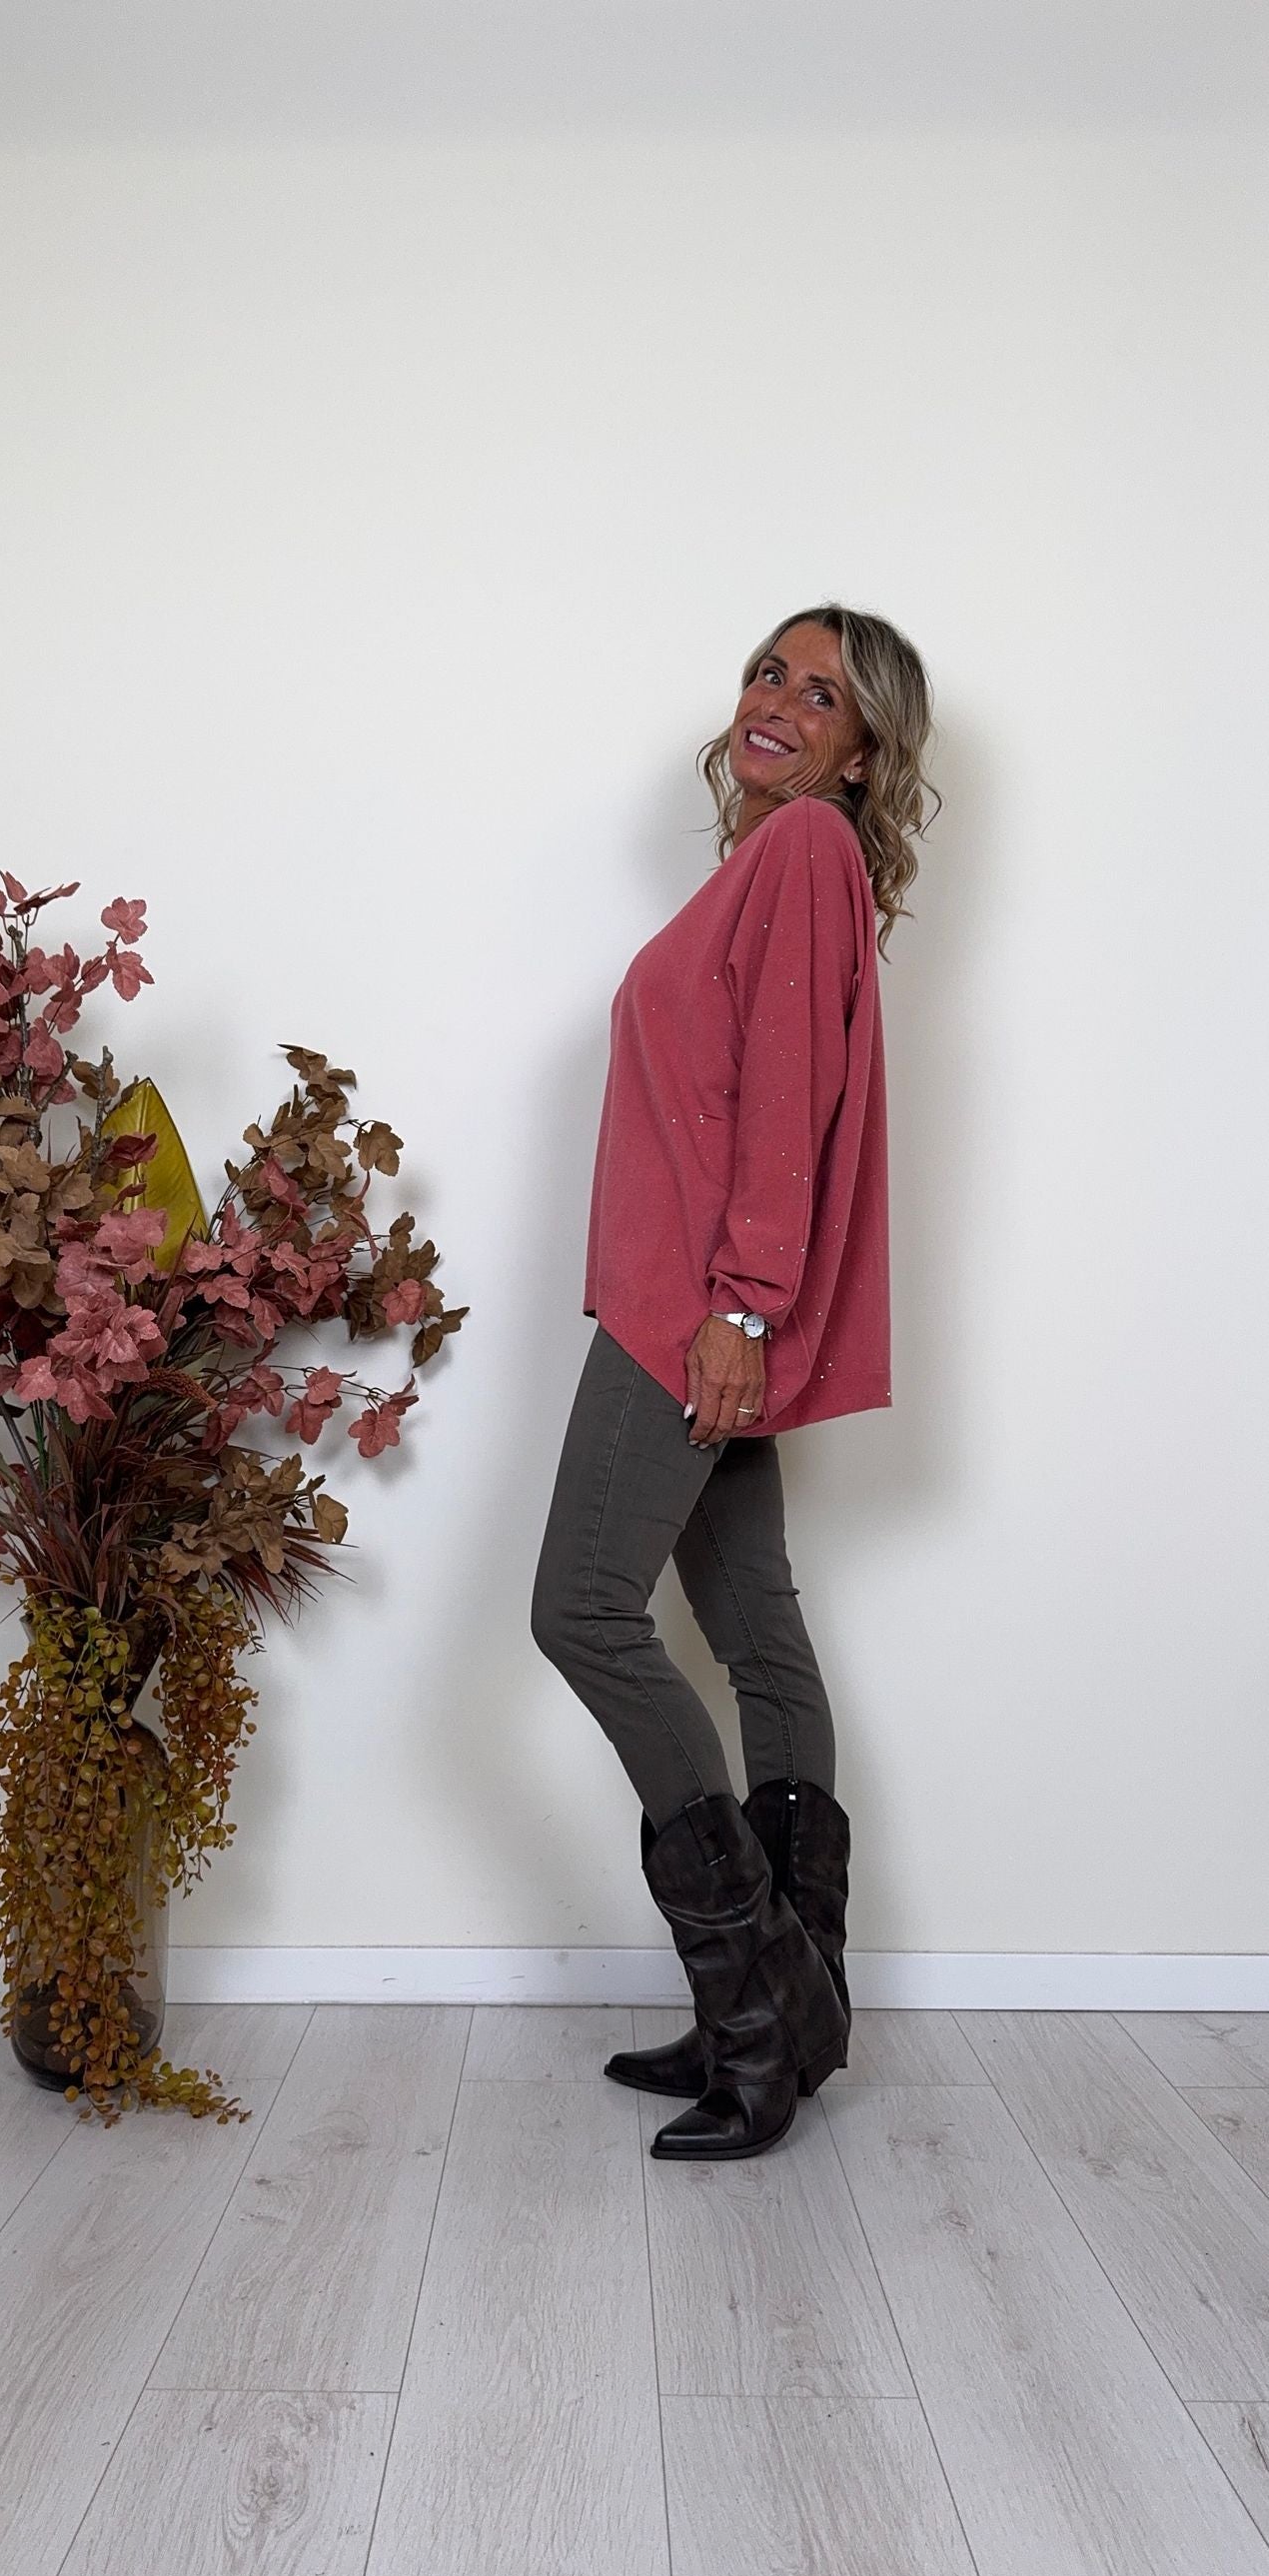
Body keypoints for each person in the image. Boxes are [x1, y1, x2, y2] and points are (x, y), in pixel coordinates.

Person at [532, 603, 938, 2162]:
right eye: (771, 669)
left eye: (822, 693)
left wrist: (743, 1311)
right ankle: (785, 2014)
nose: (776, 699)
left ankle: (761, 2013)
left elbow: (785, 1103)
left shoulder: (804, 852)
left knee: (581, 1611)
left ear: (866, 751)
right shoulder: (775, 863)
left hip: (691, 1317)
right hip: (696, 1305)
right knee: (756, 1630)